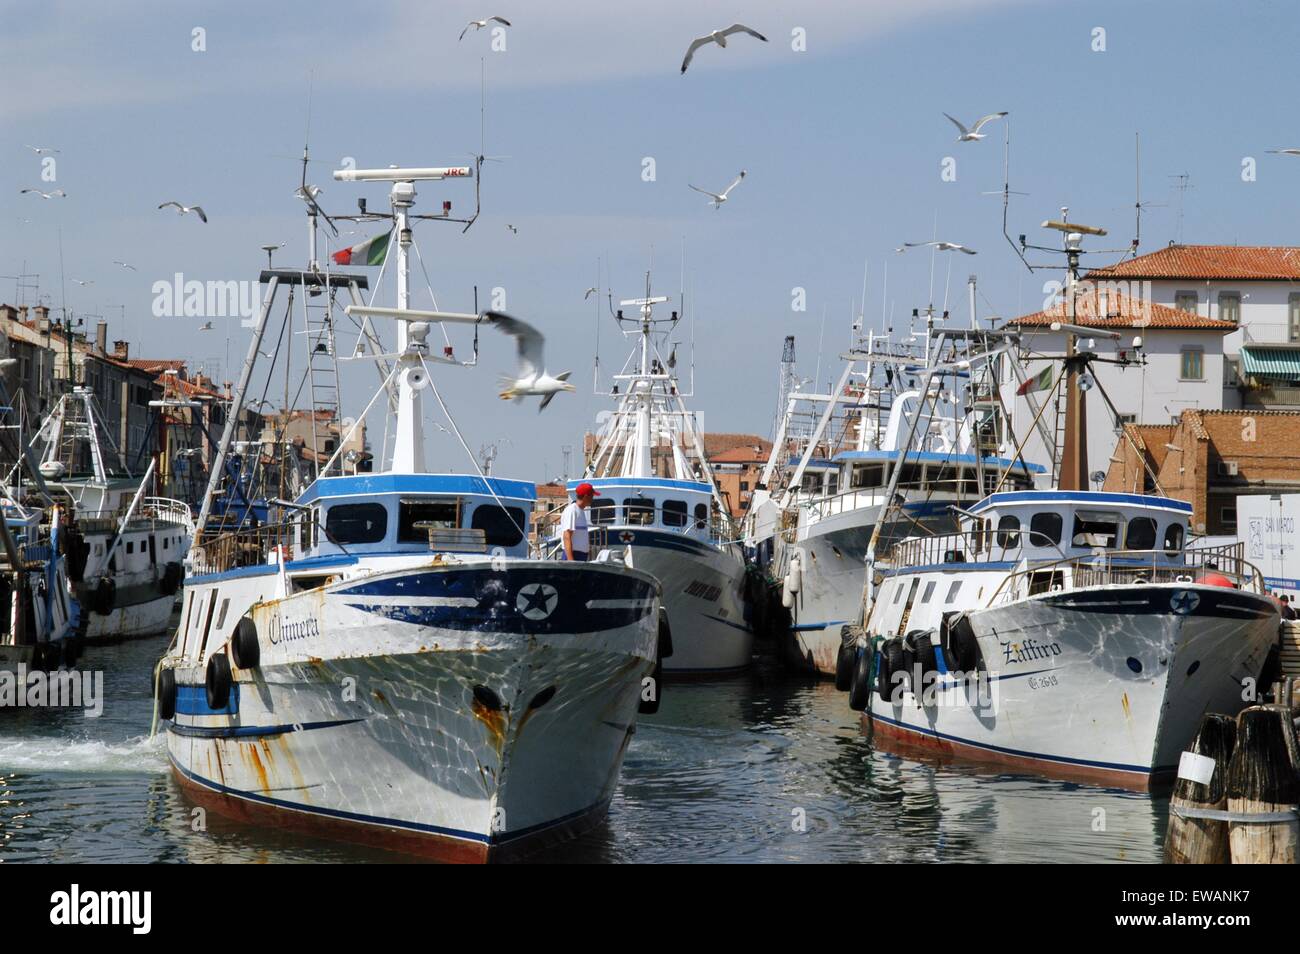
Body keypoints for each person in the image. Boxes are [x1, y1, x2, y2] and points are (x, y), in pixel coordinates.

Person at [561, 482, 598, 561]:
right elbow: (566, 536)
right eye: (592, 496)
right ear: (586, 496)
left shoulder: (581, 511)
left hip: (581, 556)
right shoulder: (572, 510)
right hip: (573, 555)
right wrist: (571, 561)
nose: (593, 498)